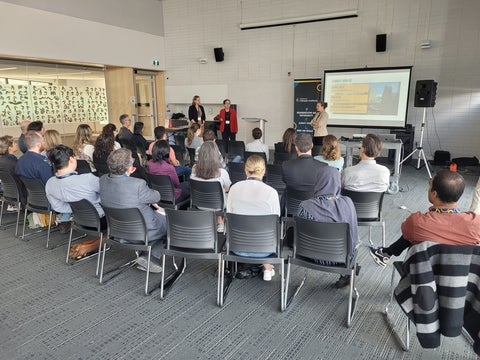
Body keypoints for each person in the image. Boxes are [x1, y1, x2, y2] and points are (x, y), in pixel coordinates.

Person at [370, 170, 480, 267]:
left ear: (434, 194)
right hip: (461, 281)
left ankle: (386, 253)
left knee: (413, 235)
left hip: (423, 279)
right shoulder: (475, 223)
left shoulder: (417, 222)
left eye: (429, 184)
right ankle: (386, 253)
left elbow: (407, 233)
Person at [99, 148, 166, 273]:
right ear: (129, 167)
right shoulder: (138, 184)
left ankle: (146, 256)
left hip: (117, 230)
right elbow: (156, 196)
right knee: (170, 225)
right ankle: (151, 257)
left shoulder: (102, 180)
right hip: (143, 231)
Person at [298, 165, 358, 288]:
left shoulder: (305, 206)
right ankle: (346, 274)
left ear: (318, 182)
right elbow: (353, 232)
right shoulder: (348, 203)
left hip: (309, 255)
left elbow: (300, 233)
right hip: (341, 258)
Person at [226, 155, 280, 281]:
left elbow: (229, 215)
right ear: (264, 171)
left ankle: (266, 266)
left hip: (237, 246)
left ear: (245, 170)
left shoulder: (234, 189)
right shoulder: (271, 192)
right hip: (265, 249)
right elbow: (275, 221)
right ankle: (267, 267)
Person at [45, 145, 105, 227]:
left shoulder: (50, 183)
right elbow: (108, 194)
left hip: (78, 220)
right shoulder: (88, 179)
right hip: (101, 220)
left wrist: (77, 210)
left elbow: (58, 207)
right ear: (71, 159)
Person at [191, 141, 231, 232]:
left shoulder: (194, 169)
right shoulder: (222, 172)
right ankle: (220, 221)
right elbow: (227, 188)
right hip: (218, 205)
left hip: (199, 204)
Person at [0, 135, 27, 206]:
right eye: (14, 143)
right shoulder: (15, 163)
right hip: (22, 192)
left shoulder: (2, 161)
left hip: (9, 192)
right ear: (10, 148)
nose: (16, 144)